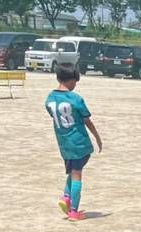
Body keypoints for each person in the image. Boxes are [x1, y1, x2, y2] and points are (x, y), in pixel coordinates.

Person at [45, 63, 102, 222]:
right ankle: (73, 211)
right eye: (75, 81)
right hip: (78, 141)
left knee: (73, 170)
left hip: (63, 143)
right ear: (71, 79)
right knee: (77, 174)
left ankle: (66, 198)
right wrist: (97, 137)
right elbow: (86, 120)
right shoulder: (75, 99)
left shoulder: (50, 98)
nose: (75, 85)